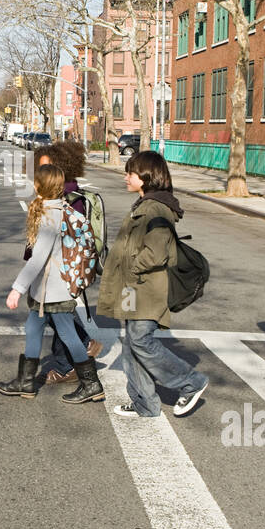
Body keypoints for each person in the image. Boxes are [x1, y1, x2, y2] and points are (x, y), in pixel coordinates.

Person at [97, 151, 209, 418]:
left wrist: (130, 266)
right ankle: (144, 403)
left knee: (141, 340)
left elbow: (157, 252)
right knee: (132, 344)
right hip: (133, 288)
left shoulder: (154, 208)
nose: (126, 177)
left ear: (146, 177)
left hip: (144, 287)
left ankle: (191, 382)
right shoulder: (144, 204)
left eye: (131, 174)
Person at [0, 163, 103, 403]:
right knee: (33, 329)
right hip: (45, 291)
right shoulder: (55, 209)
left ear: (40, 186)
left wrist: (16, 289)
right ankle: (25, 383)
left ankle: (91, 384)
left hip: (55, 291)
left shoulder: (51, 217)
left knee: (68, 335)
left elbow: (37, 260)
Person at [33, 141, 102, 384]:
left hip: (63, 269)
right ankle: (77, 355)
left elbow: (68, 237)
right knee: (55, 315)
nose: (41, 172)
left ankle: (74, 363)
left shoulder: (71, 197)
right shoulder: (58, 192)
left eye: (47, 166)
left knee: (57, 314)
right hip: (55, 268)